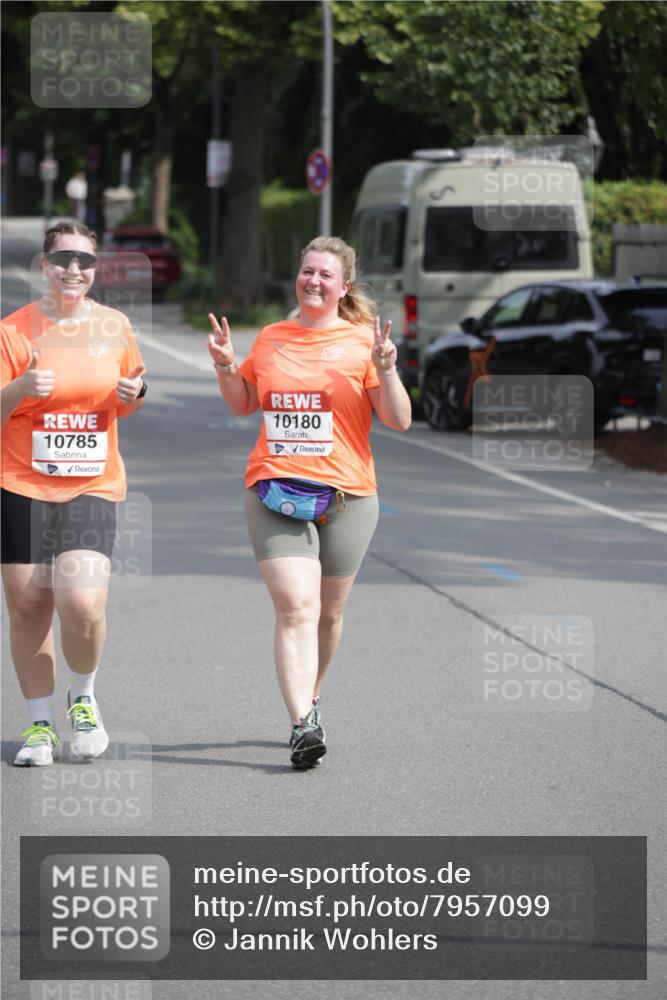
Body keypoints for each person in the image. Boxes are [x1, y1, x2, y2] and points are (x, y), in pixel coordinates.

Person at [208, 235, 411, 769]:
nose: (314, 281)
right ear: (297, 278)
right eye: (307, 272)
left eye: (325, 274)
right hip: (275, 488)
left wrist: (387, 369)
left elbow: (398, 419)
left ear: (344, 287)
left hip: (347, 495)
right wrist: (228, 367)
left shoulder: (360, 343)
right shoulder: (272, 337)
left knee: (329, 612)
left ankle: (312, 697)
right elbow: (243, 403)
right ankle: (302, 724)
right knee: (297, 606)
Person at [1, 221, 147, 766]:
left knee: (82, 604)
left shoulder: (114, 327)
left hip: (92, 482)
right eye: (62, 259)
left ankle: (82, 695)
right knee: (27, 606)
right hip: (21, 482)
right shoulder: (13, 331)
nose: (73, 269)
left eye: (84, 261)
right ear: (44, 266)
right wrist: (17, 388)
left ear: (95, 269)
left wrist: (135, 393)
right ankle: (40, 726)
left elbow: (128, 396)